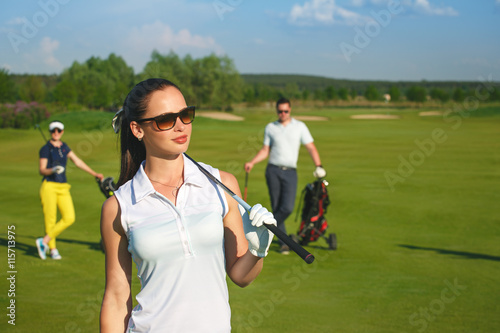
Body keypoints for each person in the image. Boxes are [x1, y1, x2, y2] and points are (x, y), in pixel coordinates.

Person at [100, 78, 277, 332]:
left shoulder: (222, 185)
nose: (180, 126)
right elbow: (117, 298)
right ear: (138, 129)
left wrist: (257, 251)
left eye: (185, 115)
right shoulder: (118, 206)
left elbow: (241, 276)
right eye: (165, 120)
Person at [244, 97, 326, 254]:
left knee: (287, 207)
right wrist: (252, 162)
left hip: (290, 172)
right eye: (280, 111)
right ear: (276, 111)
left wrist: (319, 165)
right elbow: (265, 150)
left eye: (285, 111)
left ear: (290, 110)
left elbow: (311, 147)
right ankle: (283, 243)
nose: (282, 113)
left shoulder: (300, 127)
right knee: (276, 206)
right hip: (273, 170)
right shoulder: (271, 127)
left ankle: (264, 227)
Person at [36, 120, 104, 260]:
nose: (56, 133)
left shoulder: (64, 147)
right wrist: (52, 170)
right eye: (53, 131)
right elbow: (42, 170)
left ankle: (43, 242)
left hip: (63, 187)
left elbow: (77, 161)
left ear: (62, 132)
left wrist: (94, 173)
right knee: (51, 220)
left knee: (69, 217)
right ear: (50, 132)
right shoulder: (45, 149)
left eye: (59, 131)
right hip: (49, 186)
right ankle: (53, 250)